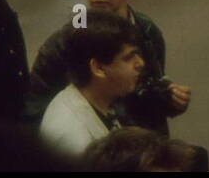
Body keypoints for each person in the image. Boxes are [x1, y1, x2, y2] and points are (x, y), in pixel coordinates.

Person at [27, 0, 190, 134]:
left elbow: (150, 87)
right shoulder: (63, 45)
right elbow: (35, 110)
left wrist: (170, 100)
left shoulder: (147, 31)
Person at [39, 12, 145, 157]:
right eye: (128, 58)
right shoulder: (73, 138)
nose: (140, 63)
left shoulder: (98, 99)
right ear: (98, 68)